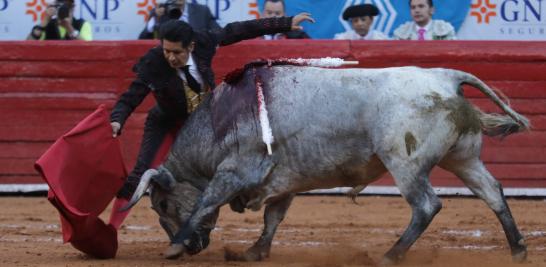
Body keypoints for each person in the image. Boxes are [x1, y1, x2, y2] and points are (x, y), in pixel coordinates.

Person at [111, 14, 315, 200]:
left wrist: (284, 23)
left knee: (227, 161)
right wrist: (117, 119)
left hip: (203, 119)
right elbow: (131, 96)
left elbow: (240, 29)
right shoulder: (153, 62)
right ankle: (111, 218)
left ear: (190, 46)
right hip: (165, 119)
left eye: (176, 52)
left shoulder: (204, 42)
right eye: (166, 51)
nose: (171, 57)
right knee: (139, 173)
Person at [138, 0, 220, 40]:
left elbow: (218, 32)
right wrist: (155, 20)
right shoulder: (160, 11)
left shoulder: (202, 11)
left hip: (197, 58)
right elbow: (142, 40)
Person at [27, 0, 92, 41]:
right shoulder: (47, 25)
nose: (64, 10)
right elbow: (27, 48)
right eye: (61, 6)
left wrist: (70, 28)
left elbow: (89, 50)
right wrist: (44, 21)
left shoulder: (82, 24)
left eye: (67, 6)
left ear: (73, 8)